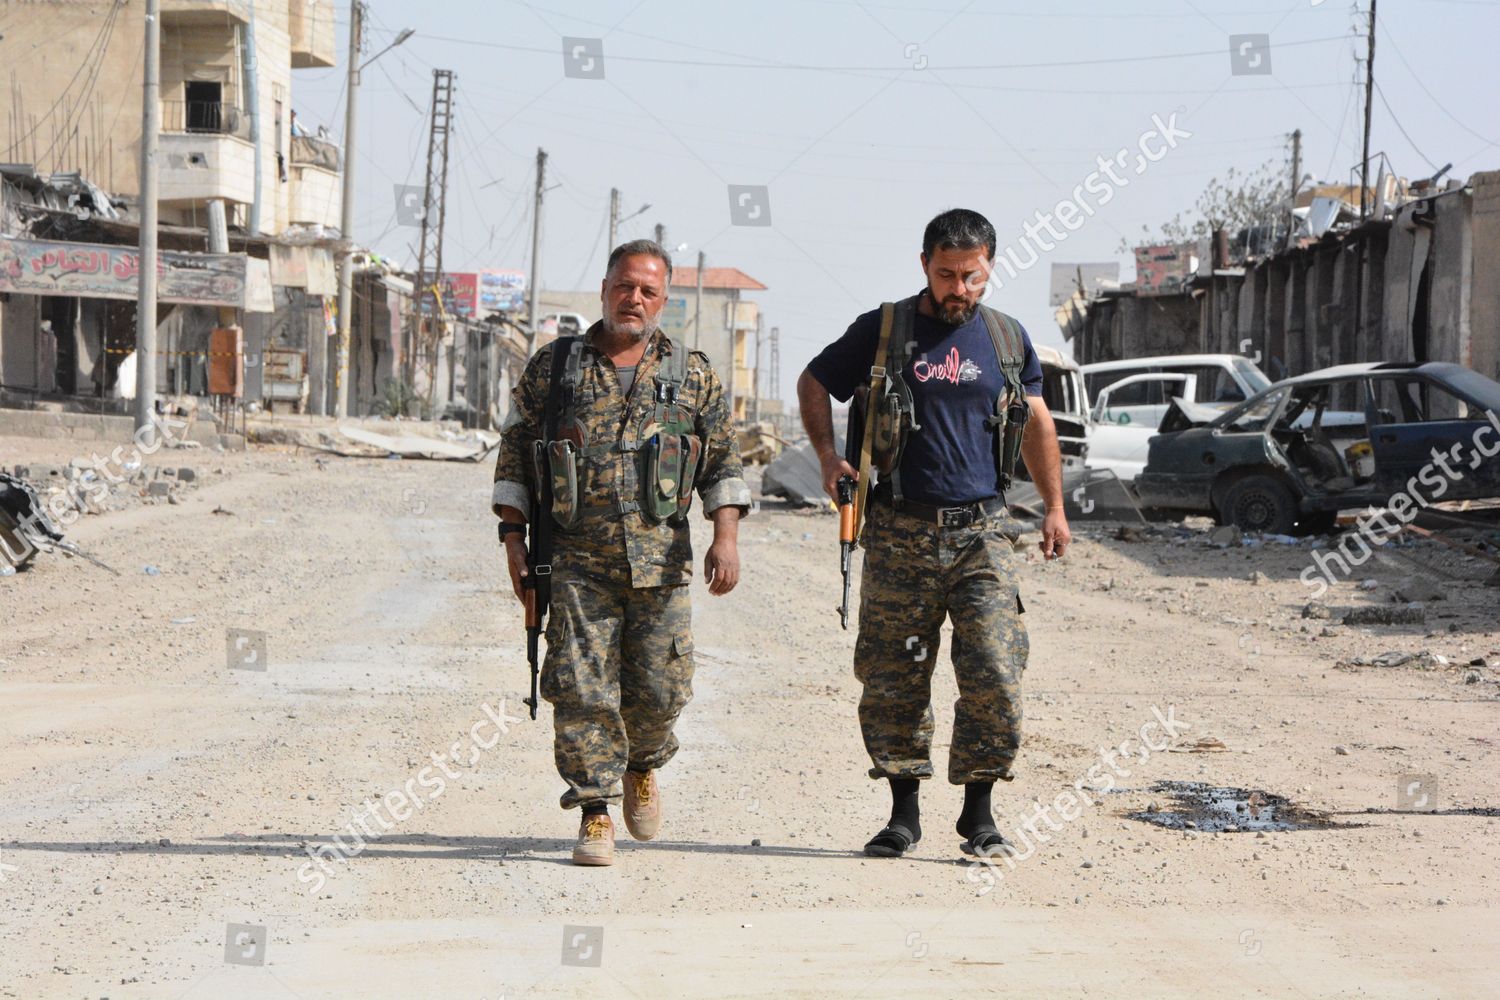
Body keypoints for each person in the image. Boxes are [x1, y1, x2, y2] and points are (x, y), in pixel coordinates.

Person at [796, 208, 1071, 859]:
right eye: (946, 275)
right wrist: (828, 458)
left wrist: (1055, 507)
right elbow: (814, 382)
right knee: (894, 676)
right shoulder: (884, 330)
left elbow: (1036, 424)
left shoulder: (1006, 340)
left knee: (997, 669)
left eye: (970, 276)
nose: (958, 288)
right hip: (897, 532)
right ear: (924, 266)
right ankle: (903, 814)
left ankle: (979, 815)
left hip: (982, 534)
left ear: (990, 268)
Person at [492, 239, 750, 866]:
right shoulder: (555, 368)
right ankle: (595, 810)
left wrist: (726, 536)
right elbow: (516, 451)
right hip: (576, 558)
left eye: (648, 291)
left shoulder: (692, 373)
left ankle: (642, 762)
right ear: (604, 288)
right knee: (582, 688)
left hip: (661, 562)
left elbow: (721, 460)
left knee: (662, 692)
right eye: (623, 287)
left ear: (664, 299)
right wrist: (513, 537)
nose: (633, 299)